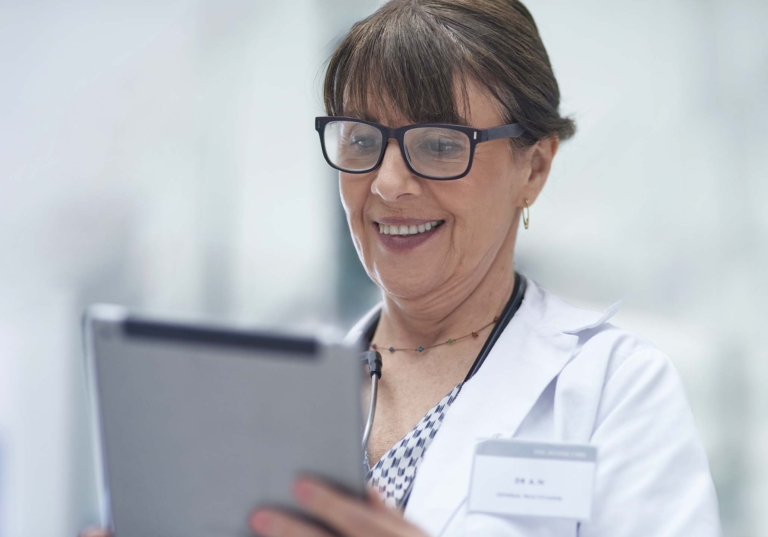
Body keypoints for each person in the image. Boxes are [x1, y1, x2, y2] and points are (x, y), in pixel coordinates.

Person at [81, 0, 722, 536]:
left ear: (534, 167)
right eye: (362, 141)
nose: (387, 185)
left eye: (440, 145)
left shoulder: (616, 391)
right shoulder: (272, 397)